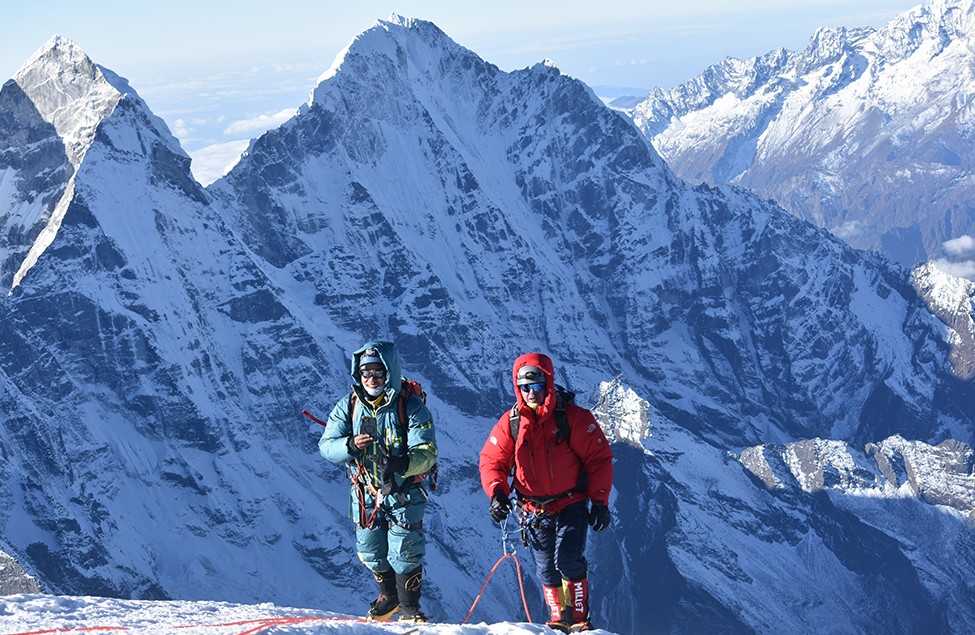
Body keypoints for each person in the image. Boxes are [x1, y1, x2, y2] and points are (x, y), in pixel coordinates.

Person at [479, 352, 614, 633]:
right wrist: (497, 493)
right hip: (533, 509)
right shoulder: (511, 423)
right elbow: (493, 462)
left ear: (548, 383)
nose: (530, 392)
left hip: (571, 502)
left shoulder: (573, 418)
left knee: (567, 559)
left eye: (536, 385)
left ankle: (578, 618)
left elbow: (598, 459)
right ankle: (557, 619)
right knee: (546, 569)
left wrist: (599, 501)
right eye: (524, 387)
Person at [319, 340, 438, 622]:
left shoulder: (411, 407)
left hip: (403, 489)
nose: (371, 379)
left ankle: (410, 608)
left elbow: (427, 452)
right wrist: (349, 445)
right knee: (370, 550)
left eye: (377, 372)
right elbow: (326, 446)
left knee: (405, 549)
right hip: (365, 491)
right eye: (366, 373)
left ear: (389, 372)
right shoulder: (348, 406)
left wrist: (401, 464)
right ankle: (389, 598)